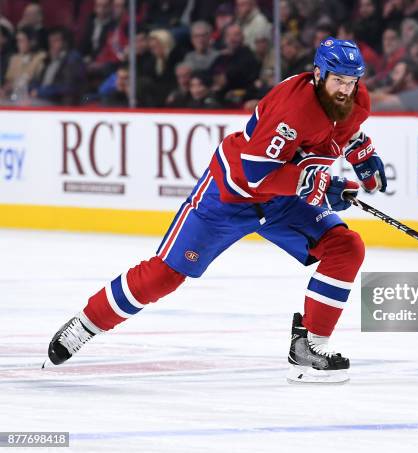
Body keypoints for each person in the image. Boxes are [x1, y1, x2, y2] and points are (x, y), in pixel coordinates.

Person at [43, 37, 387, 384]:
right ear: (318, 74)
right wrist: (321, 187)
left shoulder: (356, 100)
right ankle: (86, 323)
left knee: (346, 247)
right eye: (338, 80)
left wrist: (362, 154)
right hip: (231, 195)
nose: (345, 89)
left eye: (351, 81)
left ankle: (309, 348)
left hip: (282, 200)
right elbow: (257, 173)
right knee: (165, 275)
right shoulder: (293, 109)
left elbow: (343, 133)